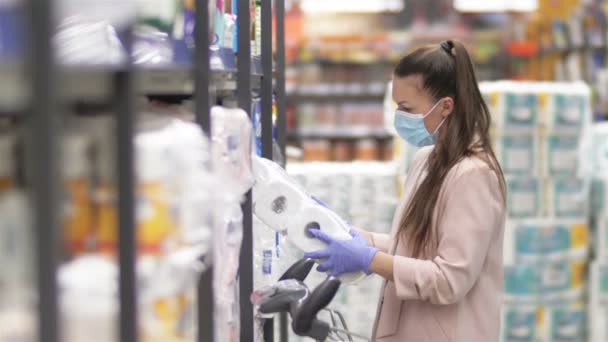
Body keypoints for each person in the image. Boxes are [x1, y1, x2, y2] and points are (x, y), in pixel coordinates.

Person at [305, 40, 507, 342]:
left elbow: (448, 280)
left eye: (406, 108)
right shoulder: (427, 160)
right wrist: (354, 235)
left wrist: (370, 259)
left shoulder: (474, 175)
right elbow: (419, 247)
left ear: (446, 107)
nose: (399, 116)